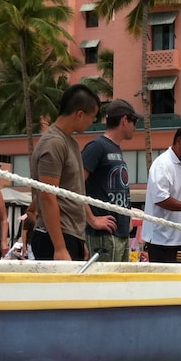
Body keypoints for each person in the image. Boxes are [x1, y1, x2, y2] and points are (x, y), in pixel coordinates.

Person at [30, 84, 104, 261]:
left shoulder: (70, 143)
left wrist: (79, 239)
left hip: (70, 234)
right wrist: (60, 247)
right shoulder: (54, 143)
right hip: (55, 238)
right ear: (79, 114)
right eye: (91, 117)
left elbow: (74, 192)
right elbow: (48, 196)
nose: (91, 122)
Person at [82, 98, 138, 262]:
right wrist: (91, 219)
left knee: (119, 284)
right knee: (105, 284)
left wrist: (127, 217)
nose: (135, 126)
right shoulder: (97, 147)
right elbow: (75, 185)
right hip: (104, 234)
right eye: (134, 121)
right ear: (124, 120)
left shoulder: (115, 148)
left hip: (120, 231)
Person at [142, 124, 181, 263]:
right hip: (160, 239)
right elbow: (161, 199)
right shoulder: (162, 164)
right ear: (179, 141)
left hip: (179, 239)